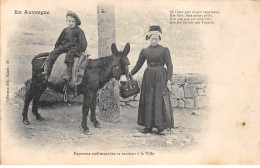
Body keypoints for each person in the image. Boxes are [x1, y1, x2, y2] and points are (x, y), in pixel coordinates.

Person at [129, 25, 173, 135]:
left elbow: (169, 65)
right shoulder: (144, 51)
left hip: (161, 77)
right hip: (148, 77)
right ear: (149, 38)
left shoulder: (164, 50)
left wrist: (169, 80)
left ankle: (160, 127)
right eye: (152, 38)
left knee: (159, 101)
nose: (154, 40)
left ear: (159, 39)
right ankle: (147, 126)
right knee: (148, 100)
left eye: (156, 38)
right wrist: (130, 74)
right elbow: (138, 64)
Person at [42, 11, 87, 81]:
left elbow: (83, 42)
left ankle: (69, 75)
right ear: (67, 21)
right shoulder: (65, 30)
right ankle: (48, 70)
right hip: (65, 46)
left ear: (76, 22)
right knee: (54, 53)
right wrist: (56, 47)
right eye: (69, 21)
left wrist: (82, 50)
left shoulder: (79, 31)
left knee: (70, 55)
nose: (71, 23)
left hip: (75, 47)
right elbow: (60, 39)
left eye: (73, 21)